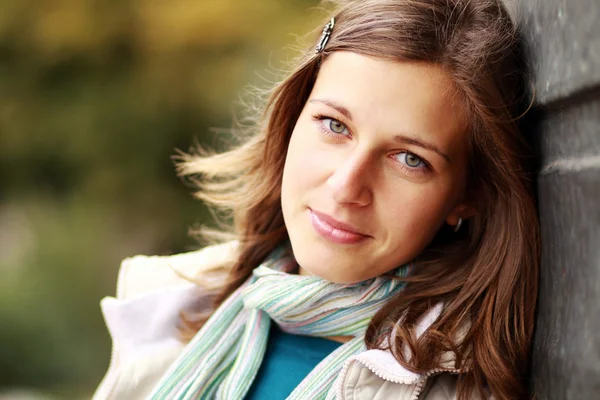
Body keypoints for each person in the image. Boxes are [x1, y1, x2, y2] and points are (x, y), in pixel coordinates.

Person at [93, 0, 539, 399]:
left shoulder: (462, 389)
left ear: (468, 195)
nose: (347, 187)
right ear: (292, 120)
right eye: (334, 126)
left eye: (409, 158)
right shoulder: (171, 303)